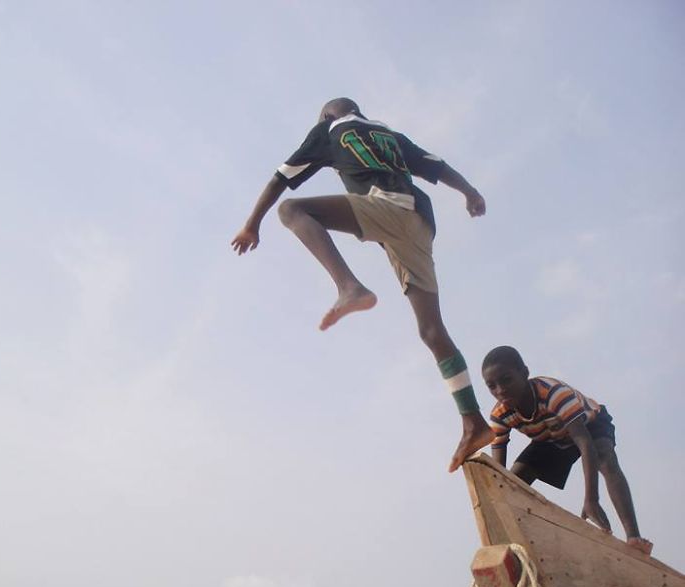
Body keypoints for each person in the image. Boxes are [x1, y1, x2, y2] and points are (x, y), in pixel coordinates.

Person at [231, 96, 492, 471]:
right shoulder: (390, 134)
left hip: (387, 208)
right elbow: (437, 166)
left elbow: (281, 178)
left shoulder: (330, 129)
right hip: (419, 222)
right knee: (432, 330)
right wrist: (470, 192)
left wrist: (251, 223)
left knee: (293, 210)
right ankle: (474, 423)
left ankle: (349, 288)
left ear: (326, 116)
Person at [481, 345, 652, 554]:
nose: (500, 390)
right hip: (549, 439)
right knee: (512, 483)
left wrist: (591, 499)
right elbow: (498, 474)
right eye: (492, 386)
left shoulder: (552, 393)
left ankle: (634, 538)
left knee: (605, 458)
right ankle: (517, 545)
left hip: (588, 426)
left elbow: (584, 442)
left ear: (524, 373)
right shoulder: (500, 415)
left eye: (506, 380)